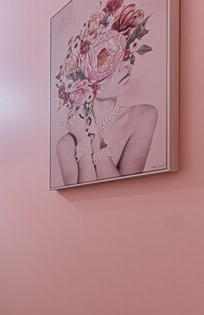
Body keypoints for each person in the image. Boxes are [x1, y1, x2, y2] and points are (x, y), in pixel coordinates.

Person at [55, 0, 158, 185]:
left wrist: (92, 136)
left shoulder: (144, 116)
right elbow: (85, 197)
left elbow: (125, 192)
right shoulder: (65, 145)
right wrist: (83, 140)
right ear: (83, 76)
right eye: (108, 61)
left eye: (124, 56)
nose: (125, 67)